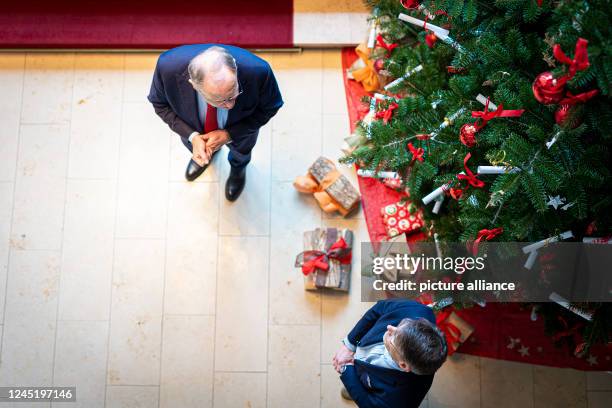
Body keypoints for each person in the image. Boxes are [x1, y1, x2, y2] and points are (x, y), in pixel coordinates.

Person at [148, 44, 283, 201]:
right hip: (195, 131)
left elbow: (270, 106)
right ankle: (205, 158)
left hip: (241, 131)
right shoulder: (167, 68)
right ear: (193, 84)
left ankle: (238, 170)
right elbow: (159, 104)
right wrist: (192, 137)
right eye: (218, 100)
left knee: (241, 153)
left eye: (234, 92)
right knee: (200, 150)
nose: (230, 104)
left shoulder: (259, 71)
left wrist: (230, 134)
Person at [333, 299, 447, 408]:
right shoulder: (416, 310)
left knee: (357, 388)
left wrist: (347, 371)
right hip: (361, 354)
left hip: (368, 382)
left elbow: (368, 403)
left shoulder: (398, 402)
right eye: (400, 325)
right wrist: (349, 345)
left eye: (394, 337)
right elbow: (380, 308)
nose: (389, 328)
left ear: (403, 365)